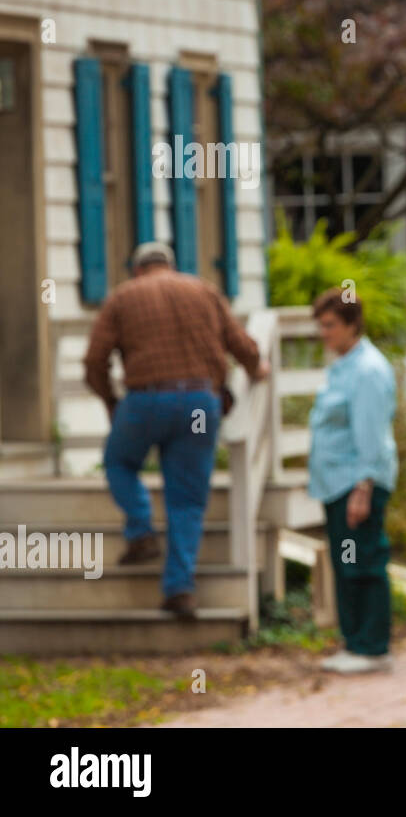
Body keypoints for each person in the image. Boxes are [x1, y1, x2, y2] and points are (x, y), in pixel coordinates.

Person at [83, 242, 268, 619]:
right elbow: (241, 343)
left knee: (118, 462)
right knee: (186, 499)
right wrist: (256, 370)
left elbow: (93, 361)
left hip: (146, 401)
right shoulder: (203, 291)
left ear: (137, 270)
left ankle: (141, 530)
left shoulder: (122, 298)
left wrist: (110, 401)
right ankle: (180, 589)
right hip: (200, 403)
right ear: (170, 264)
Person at [309, 287, 398, 674]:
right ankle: (354, 641)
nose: (324, 333)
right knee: (345, 562)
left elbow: (371, 434)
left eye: (330, 325)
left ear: (351, 325)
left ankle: (372, 647)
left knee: (362, 560)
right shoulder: (342, 366)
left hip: (356, 484)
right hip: (335, 484)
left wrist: (364, 488)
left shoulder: (367, 371)